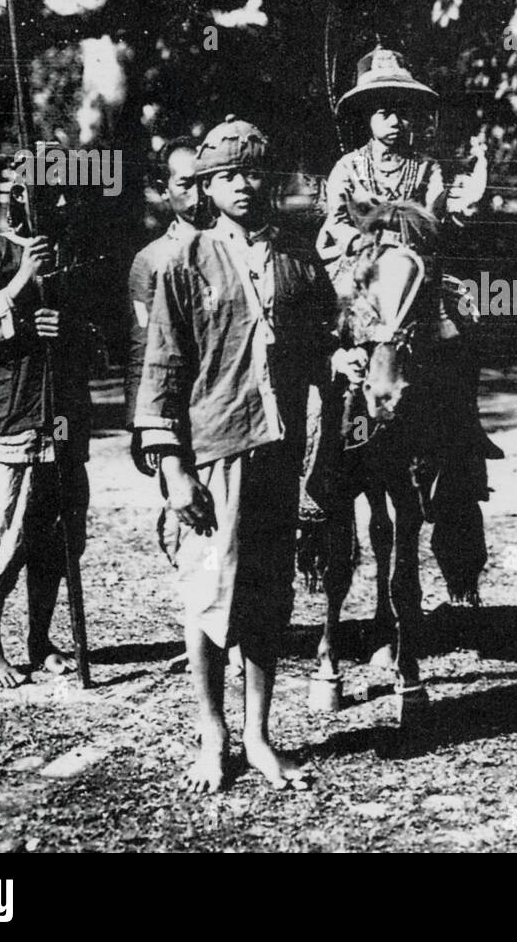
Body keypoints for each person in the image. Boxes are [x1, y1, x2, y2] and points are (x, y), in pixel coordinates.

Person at [135, 116, 362, 793]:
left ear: (270, 179)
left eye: (252, 171)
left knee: (265, 594)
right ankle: (214, 732)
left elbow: (323, 342)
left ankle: (259, 734)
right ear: (204, 185)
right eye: (225, 174)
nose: (240, 183)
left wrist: (340, 357)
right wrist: (173, 468)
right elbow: (165, 368)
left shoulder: (298, 259)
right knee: (208, 595)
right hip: (214, 450)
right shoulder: (186, 261)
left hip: (279, 449)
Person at [319, 47, 498, 604]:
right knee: (325, 349)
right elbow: (332, 226)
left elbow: (443, 224)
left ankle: (460, 443)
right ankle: (320, 466)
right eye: (381, 112)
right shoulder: (347, 168)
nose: (393, 123)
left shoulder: (429, 169)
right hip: (361, 278)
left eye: (401, 111)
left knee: (455, 338)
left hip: (419, 280)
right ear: (366, 118)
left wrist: (462, 202)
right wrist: (360, 240)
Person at [0, 154, 95, 689]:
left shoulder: (72, 257)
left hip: (62, 419)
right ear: (15, 198)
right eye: (39, 193)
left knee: (57, 536)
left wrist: (70, 329)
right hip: (9, 418)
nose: (53, 203)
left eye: (60, 193)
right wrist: (20, 285)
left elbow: (95, 338)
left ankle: (41, 641)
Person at [125, 137, 199, 448]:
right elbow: (142, 343)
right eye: (186, 184)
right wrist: (141, 426)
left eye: (206, 181)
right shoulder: (152, 260)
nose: (199, 194)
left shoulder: (239, 247)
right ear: (164, 187)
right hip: (179, 407)